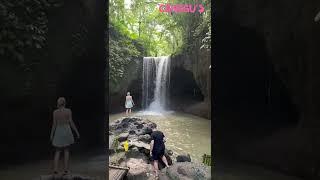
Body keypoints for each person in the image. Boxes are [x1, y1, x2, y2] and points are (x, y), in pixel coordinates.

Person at [50, 97, 80, 175]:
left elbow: (54, 124)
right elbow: (71, 122)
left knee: (57, 151)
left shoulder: (55, 112)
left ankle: (55, 170)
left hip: (58, 131)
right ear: (64, 103)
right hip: (67, 130)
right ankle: (66, 170)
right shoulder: (68, 111)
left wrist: (51, 134)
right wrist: (76, 132)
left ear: (58, 103)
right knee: (66, 151)